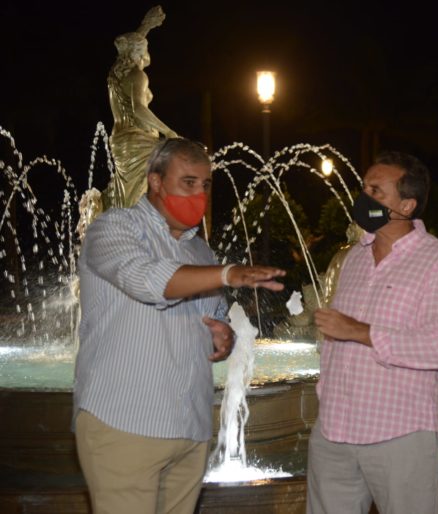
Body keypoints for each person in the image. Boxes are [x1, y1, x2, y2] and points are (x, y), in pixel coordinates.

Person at [73, 138, 286, 514]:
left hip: (190, 426)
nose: (199, 194)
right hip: (126, 421)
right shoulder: (113, 229)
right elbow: (147, 280)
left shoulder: (198, 250)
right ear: (156, 182)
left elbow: (213, 315)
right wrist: (227, 273)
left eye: (205, 185)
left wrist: (224, 333)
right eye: (188, 182)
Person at [307, 151, 438, 514]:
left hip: (400, 434)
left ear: (406, 205)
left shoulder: (436, 259)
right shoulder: (355, 258)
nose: (363, 198)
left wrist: (361, 331)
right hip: (334, 431)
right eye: (364, 187)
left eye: (376, 191)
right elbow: (335, 342)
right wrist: (325, 398)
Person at [102, 6, 179, 210]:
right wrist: (168, 131)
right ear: (139, 52)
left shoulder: (116, 75)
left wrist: (146, 27)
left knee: (129, 193)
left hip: (122, 141)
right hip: (139, 141)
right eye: (145, 47)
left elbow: (127, 48)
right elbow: (139, 109)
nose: (148, 50)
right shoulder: (138, 75)